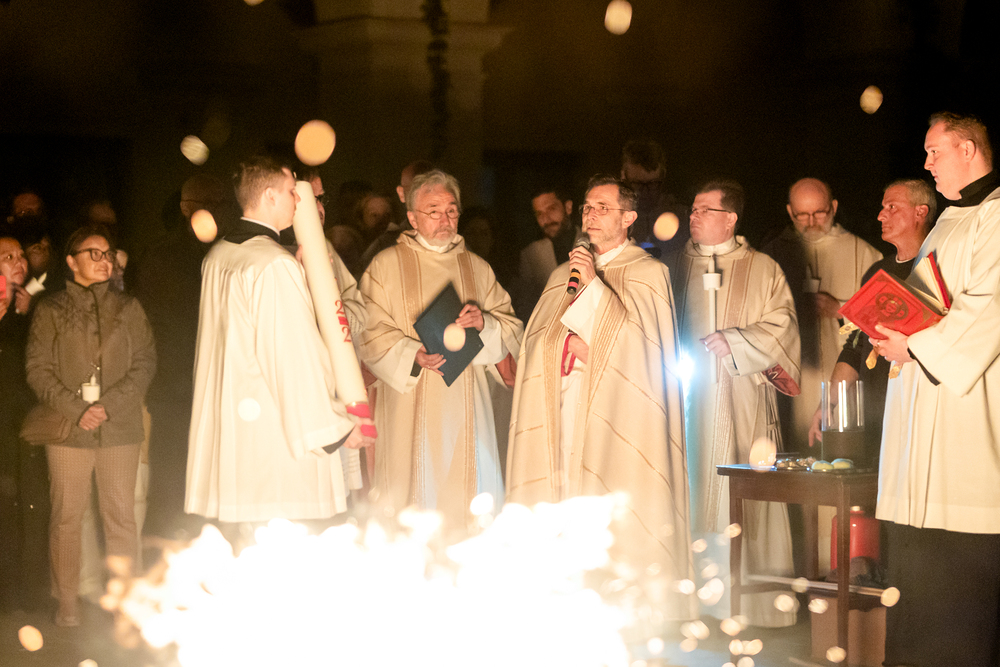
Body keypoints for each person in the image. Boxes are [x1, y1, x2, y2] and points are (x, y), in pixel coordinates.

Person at [506, 175, 695, 619]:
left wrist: (592, 290)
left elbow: (646, 357)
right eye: (588, 207)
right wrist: (562, 345)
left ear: (628, 218)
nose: (591, 215)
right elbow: (537, 341)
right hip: (563, 405)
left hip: (620, 416)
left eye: (603, 208)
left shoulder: (649, 272)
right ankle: (562, 599)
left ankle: (625, 605)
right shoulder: (562, 274)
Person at [873, 112, 1000, 667]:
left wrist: (916, 346)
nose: (926, 163)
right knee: (914, 575)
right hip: (921, 409)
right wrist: (888, 326)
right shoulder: (948, 222)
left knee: (956, 592)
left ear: (968, 149)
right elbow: (924, 304)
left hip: (965, 417)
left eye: (935, 152)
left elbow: (987, 311)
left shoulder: (997, 217)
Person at [185, 156, 374, 527]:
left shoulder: (221, 254)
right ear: (269, 196)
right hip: (273, 439)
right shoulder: (274, 264)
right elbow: (293, 357)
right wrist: (334, 429)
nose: (299, 200)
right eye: (292, 192)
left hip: (236, 425)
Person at [665, 180, 801, 625]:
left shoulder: (762, 268)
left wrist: (738, 342)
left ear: (730, 218)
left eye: (705, 210)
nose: (693, 216)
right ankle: (690, 603)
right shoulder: (672, 266)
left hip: (742, 403)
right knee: (687, 488)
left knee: (743, 493)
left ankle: (751, 607)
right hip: (684, 402)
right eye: (693, 209)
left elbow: (784, 325)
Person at [359, 170, 522, 531]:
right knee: (411, 500)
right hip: (407, 401)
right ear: (412, 217)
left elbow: (512, 330)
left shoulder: (477, 268)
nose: (444, 219)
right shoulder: (385, 266)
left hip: (470, 406)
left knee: (469, 500)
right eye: (433, 211)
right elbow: (367, 330)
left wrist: (485, 324)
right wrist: (409, 354)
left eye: (451, 210)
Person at [25, 224, 156, 627]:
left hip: (120, 428)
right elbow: (37, 369)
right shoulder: (51, 309)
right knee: (67, 517)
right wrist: (77, 409)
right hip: (69, 430)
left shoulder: (128, 307)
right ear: (71, 261)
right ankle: (67, 602)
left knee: (121, 517)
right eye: (93, 253)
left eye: (108, 254)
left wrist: (107, 405)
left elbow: (145, 363)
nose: (103, 261)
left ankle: (124, 605)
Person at [807, 180, 936, 463]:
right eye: (881, 207)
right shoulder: (878, 271)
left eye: (891, 207)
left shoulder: (938, 268)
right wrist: (828, 403)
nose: (880, 215)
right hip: (877, 413)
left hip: (924, 408)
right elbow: (856, 344)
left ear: (920, 212)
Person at [134, 173, 228, 540]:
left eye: (222, 204)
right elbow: (169, 322)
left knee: (210, 487)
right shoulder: (164, 257)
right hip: (177, 388)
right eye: (211, 204)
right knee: (171, 484)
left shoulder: (222, 253)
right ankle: (164, 561)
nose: (218, 212)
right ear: (187, 208)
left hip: (207, 387)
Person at [514, 186, 583, 319]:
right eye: (539, 214)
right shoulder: (531, 254)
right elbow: (527, 304)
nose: (546, 219)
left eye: (552, 209)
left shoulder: (594, 244)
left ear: (568, 207)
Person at [621, 139, 689, 258]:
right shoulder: (613, 217)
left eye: (652, 184)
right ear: (623, 178)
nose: (645, 192)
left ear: (663, 177)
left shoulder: (683, 216)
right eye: (637, 184)